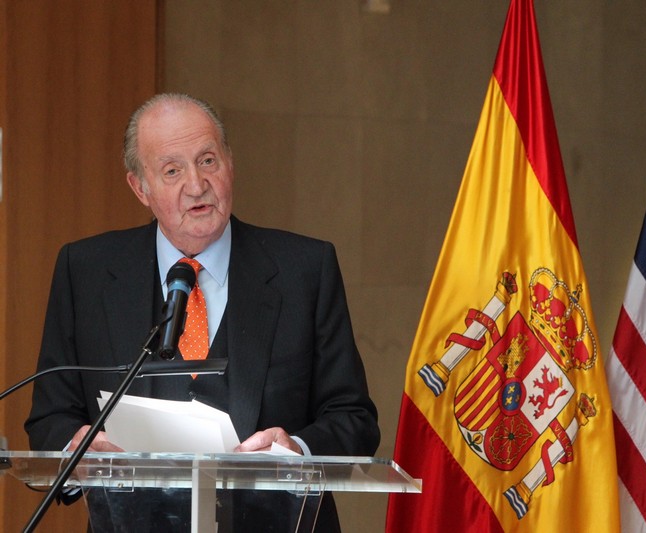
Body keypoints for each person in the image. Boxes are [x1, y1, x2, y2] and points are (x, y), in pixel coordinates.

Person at [25, 93, 380, 531]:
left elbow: (354, 419)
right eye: (172, 170)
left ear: (230, 163)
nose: (196, 184)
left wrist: (298, 450)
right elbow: (49, 419)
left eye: (208, 160)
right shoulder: (87, 271)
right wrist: (75, 448)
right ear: (140, 187)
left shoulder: (304, 269)